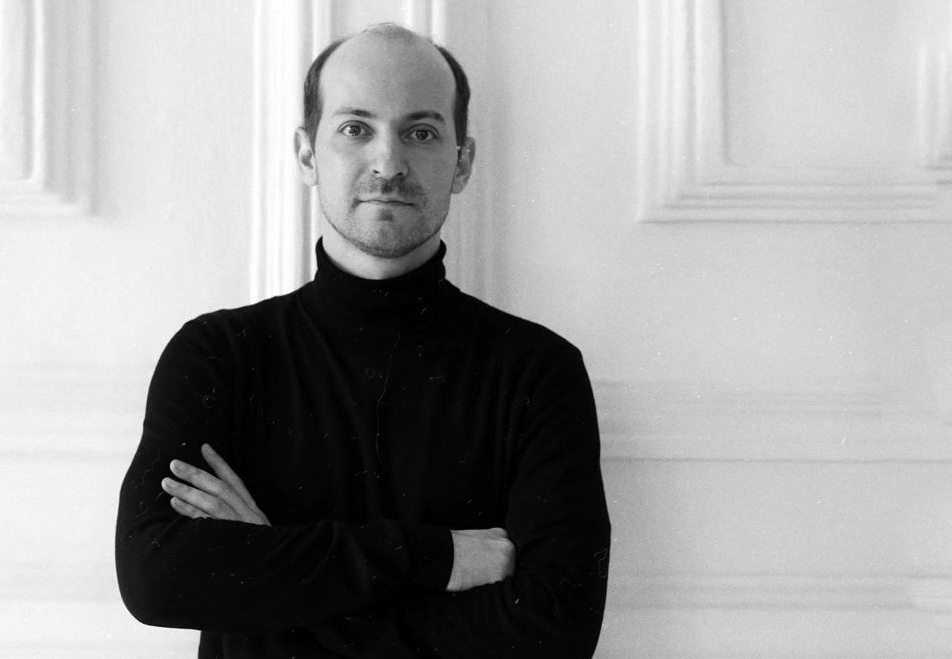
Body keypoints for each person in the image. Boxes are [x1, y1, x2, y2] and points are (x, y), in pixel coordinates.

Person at [115, 23, 611, 658]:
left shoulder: (536, 371)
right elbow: (155, 579)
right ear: (306, 155)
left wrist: (271, 559)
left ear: (462, 163)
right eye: (355, 128)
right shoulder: (219, 354)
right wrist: (433, 556)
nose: (388, 163)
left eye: (421, 132)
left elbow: (555, 634)